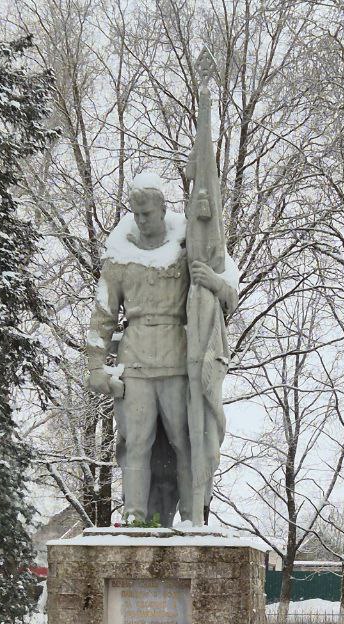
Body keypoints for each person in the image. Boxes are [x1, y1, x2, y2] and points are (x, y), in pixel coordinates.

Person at [86, 172, 238, 525]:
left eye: (148, 214)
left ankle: (190, 516)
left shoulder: (187, 246)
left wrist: (212, 279)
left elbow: (229, 292)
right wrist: (96, 364)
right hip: (135, 362)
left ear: (162, 210)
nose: (141, 221)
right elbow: (102, 315)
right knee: (136, 442)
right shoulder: (119, 256)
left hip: (178, 361)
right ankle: (136, 518)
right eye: (136, 214)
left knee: (185, 442)